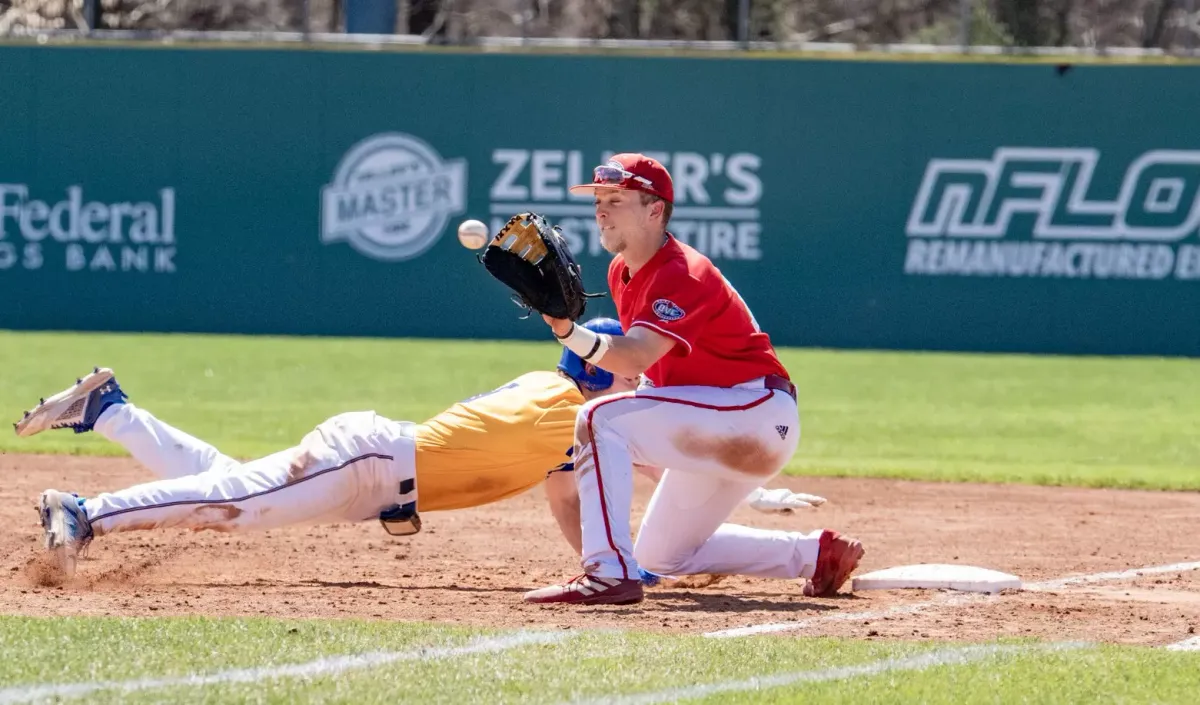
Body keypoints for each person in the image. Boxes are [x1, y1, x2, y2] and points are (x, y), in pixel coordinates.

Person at [14, 318, 822, 577]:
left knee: (234, 487)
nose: (631, 382)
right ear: (598, 374)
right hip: (369, 460)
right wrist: (764, 492)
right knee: (237, 504)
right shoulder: (566, 405)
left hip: (373, 472)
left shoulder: (567, 423)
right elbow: (657, 457)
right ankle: (86, 514)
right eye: (618, 371)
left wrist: (616, 565)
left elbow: (581, 513)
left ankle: (110, 410)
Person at [524, 154, 865, 606]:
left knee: (598, 418)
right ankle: (814, 555)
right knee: (661, 554)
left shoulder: (682, 271)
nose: (601, 210)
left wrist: (568, 332)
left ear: (654, 209)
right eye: (599, 200)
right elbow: (642, 373)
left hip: (754, 411)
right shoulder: (621, 272)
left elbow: (636, 354)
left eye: (616, 199)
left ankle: (607, 572)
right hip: (723, 424)